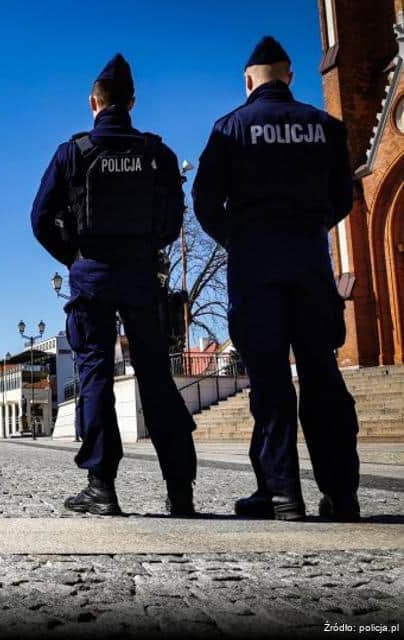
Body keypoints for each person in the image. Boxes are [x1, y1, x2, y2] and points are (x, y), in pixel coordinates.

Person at [192, 36, 359, 522]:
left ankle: (282, 493)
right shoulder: (324, 126)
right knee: (322, 374)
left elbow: (204, 202)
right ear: (289, 77)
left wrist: (240, 239)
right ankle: (341, 494)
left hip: (255, 267)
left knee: (268, 381)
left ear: (248, 81)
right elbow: (344, 196)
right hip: (309, 261)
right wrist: (310, 229)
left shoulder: (229, 128)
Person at [31, 53, 198, 516]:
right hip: (142, 277)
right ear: (132, 101)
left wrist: (76, 256)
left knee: (95, 377)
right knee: (157, 379)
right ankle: (179, 488)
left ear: (93, 103)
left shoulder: (74, 153)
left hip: (92, 278)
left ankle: (102, 487)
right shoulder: (158, 154)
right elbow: (171, 221)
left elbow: (40, 219)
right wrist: (144, 251)